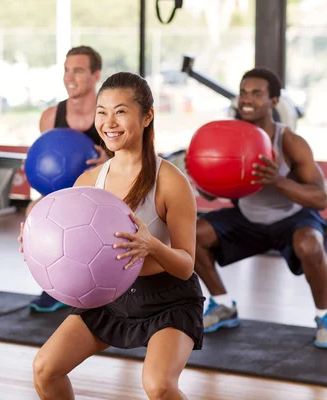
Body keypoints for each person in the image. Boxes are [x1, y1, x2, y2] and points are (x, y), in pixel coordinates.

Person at [19, 72, 204, 399]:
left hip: (168, 299)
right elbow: (66, 243)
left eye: (120, 111)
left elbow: (186, 266)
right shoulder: (88, 180)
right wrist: (36, 242)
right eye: (102, 112)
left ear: (147, 116)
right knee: (45, 369)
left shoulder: (171, 182)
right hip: (109, 297)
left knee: (159, 386)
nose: (108, 122)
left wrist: (152, 246)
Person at [194, 67, 327, 348]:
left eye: (257, 94)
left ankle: (324, 316)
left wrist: (277, 180)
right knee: (192, 234)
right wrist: (202, 181)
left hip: (291, 218)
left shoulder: (288, 141)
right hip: (248, 219)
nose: (247, 99)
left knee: (311, 245)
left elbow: (320, 198)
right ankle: (222, 305)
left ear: (274, 101)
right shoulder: (229, 135)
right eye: (243, 92)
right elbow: (224, 192)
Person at [28, 45, 110, 313]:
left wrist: (108, 162)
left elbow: (137, 162)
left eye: (78, 70)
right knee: (32, 212)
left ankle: (107, 285)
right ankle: (55, 285)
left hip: (106, 195)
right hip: (63, 196)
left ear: (96, 75)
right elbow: (45, 165)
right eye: (66, 70)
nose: (70, 77)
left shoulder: (109, 115)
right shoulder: (50, 117)